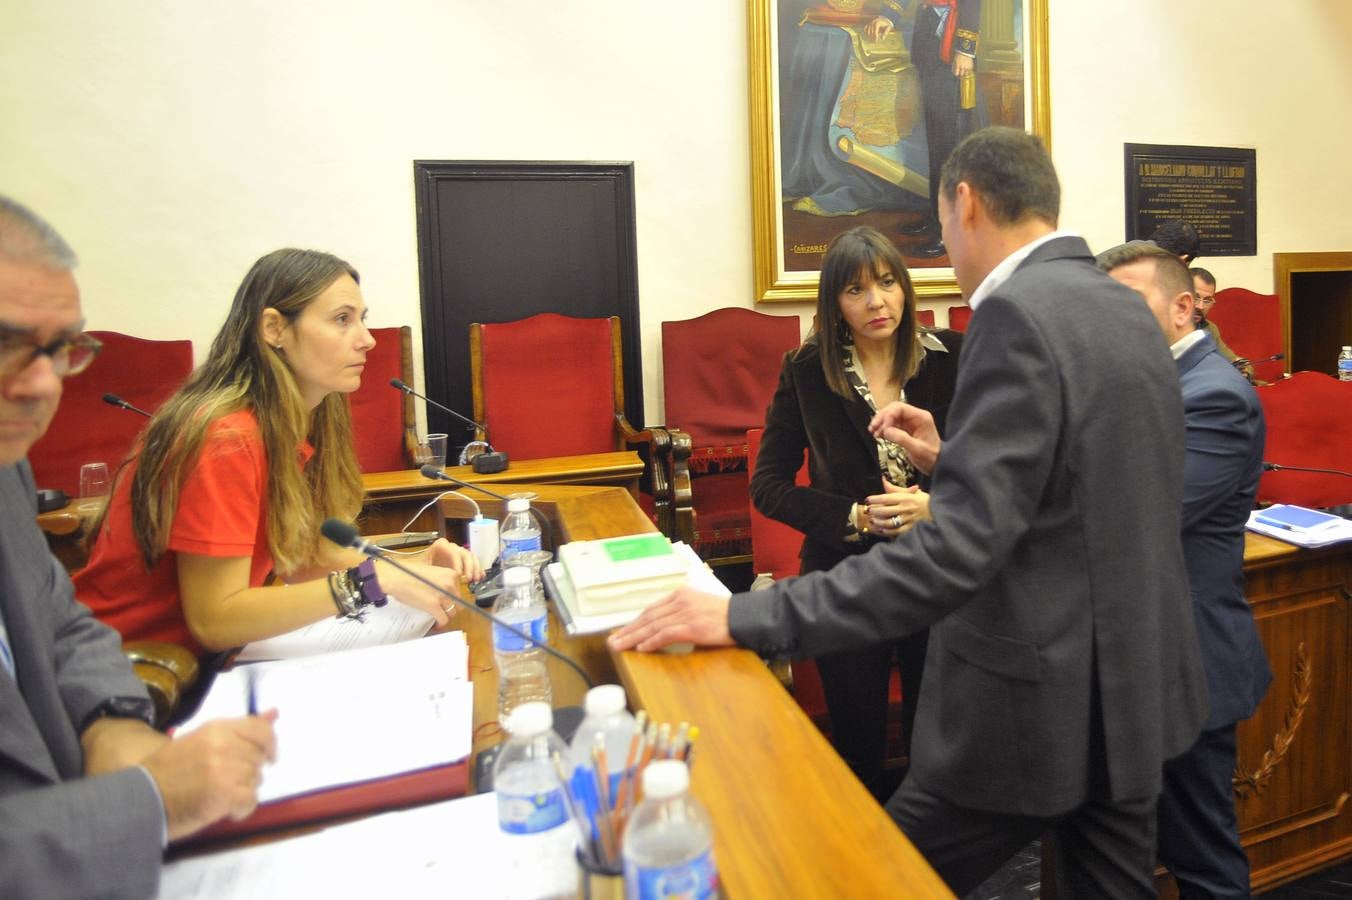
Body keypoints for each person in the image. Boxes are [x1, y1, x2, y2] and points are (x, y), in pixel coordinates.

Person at [610, 127, 1207, 896]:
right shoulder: (1125, 304)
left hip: (1029, 704)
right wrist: (948, 460)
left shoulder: (1014, 316)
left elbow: (958, 548)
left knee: (868, 876)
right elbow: (1079, 496)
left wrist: (743, 617)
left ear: (963, 202)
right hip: (1132, 691)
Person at [0, 195, 276, 898]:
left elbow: (59, 621)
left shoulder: (5, 470)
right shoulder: (227, 432)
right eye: (6, 343)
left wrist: (110, 721)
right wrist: (145, 801)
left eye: (60, 349)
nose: (42, 386)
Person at [74, 248, 483, 660]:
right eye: (342, 319)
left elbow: (298, 557)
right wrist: (367, 580)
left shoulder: (290, 420)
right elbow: (215, 619)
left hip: (191, 663)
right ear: (274, 328)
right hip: (126, 671)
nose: (368, 339)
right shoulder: (226, 437)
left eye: (362, 318)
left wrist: (408, 563)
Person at [751, 224, 960, 802]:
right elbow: (766, 486)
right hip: (846, 577)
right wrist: (856, 517)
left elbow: (995, 467)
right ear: (834, 303)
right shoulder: (805, 370)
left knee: (936, 745)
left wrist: (935, 503)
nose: (877, 302)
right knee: (857, 748)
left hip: (939, 568)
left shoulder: (952, 357)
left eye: (888, 283)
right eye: (856, 290)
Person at [1099, 241, 1270, 899]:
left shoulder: (1214, 393)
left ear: (1183, 307)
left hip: (1188, 659)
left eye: (1128, 302)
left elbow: (1146, 515)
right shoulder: (1148, 380)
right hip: (1140, 659)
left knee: (1201, 855)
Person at [868, 1, 983, 259]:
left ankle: (952, 230)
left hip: (953, 49)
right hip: (930, 43)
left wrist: (966, 50)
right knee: (937, 142)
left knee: (950, 145)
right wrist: (888, 16)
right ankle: (937, 217)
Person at [1191, 266, 1254, 380]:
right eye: (1195, 297)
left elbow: (1236, 361)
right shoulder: (1161, 327)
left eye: (1207, 300)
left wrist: (1244, 374)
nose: (1200, 306)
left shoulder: (1209, 328)